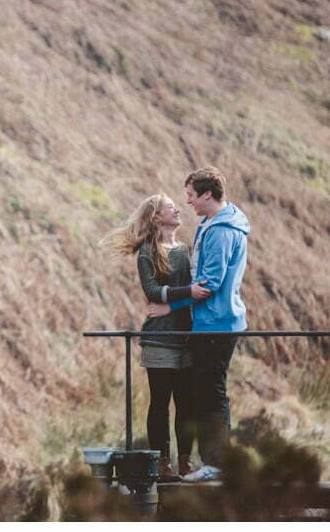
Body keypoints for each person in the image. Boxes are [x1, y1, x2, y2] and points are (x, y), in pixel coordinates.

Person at [148, 167, 251, 482]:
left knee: (210, 394)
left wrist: (170, 304)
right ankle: (216, 461)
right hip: (214, 322)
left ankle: (216, 464)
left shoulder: (220, 231)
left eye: (191, 195)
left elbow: (209, 284)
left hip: (216, 324)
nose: (187, 202)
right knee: (207, 391)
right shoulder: (216, 222)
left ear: (208, 194)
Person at [102, 194, 211, 482]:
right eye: (170, 207)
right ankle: (162, 464)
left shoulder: (185, 248)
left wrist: (182, 297)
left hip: (186, 337)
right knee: (160, 403)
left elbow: (195, 290)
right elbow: (152, 292)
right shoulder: (148, 252)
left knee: (186, 403)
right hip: (159, 339)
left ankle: (185, 462)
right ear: (156, 217)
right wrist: (187, 292)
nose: (177, 209)